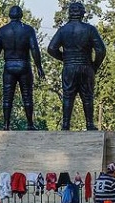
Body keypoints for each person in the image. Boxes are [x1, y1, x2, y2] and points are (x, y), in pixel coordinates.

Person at [47, 2, 106, 131]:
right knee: (87, 96)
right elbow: (101, 50)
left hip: (69, 67)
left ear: (69, 13)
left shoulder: (63, 30)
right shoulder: (90, 29)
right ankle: (89, 124)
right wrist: (94, 66)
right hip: (86, 66)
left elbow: (51, 48)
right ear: (83, 13)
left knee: (68, 96)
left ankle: (66, 124)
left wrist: (64, 58)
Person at [0, 5, 44, 131]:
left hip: (9, 66)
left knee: (7, 97)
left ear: (10, 15)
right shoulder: (28, 30)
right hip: (24, 65)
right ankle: (30, 124)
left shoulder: (3, 31)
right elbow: (35, 49)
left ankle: (6, 124)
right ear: (21, 15)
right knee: (27, 96)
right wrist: (39, 66)